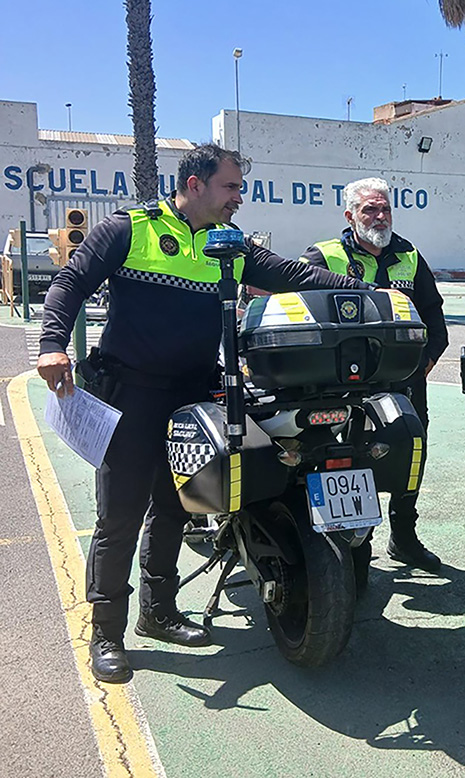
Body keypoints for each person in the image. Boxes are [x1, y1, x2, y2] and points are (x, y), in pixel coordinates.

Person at [36, 144, 369, 685]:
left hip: (193, 394)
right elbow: (71, 281)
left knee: (176, 505)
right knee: (120, 516)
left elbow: (289, 274)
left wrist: (366, 291)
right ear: (195, 184)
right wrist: (53, 343)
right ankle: (106, 633)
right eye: (230, 187)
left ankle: (158, 611)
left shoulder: (229, 244)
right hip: (131, 393)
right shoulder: (131, 228)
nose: (239, 198)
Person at [300, 178, 447, 574]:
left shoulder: (408, 255)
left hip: (402, 384)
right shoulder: (324, 255)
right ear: (350, 215)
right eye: (370, 209)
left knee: (409, 454)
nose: (380, 216)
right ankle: (351, 549)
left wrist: (425, 361)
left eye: (385, 209)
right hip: (340, 387)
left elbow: (434, 315)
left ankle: (404, 536)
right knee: (343, 461)